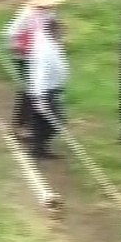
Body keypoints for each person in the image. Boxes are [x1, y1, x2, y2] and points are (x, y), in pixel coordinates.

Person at [3, 0, 70, 138]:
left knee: (36, 90)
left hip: (42, 55)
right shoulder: (28, 13)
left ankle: (29, 125)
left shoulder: (52, 12)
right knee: (31, 90)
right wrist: (20, 49)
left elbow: (52, 30)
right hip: (26, 56)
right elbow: (11, 33)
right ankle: (22, 126)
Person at [27, 17, 71, 160]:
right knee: (55, 120)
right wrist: (40, 98)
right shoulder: (45, 49)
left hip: (50, 89)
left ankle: (39, 147)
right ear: (54, 31)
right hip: (44, 91)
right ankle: (38, 147)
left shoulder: (52, 45)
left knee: (43, 121)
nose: (63, 33)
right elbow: (40, 74)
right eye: (60, 30)